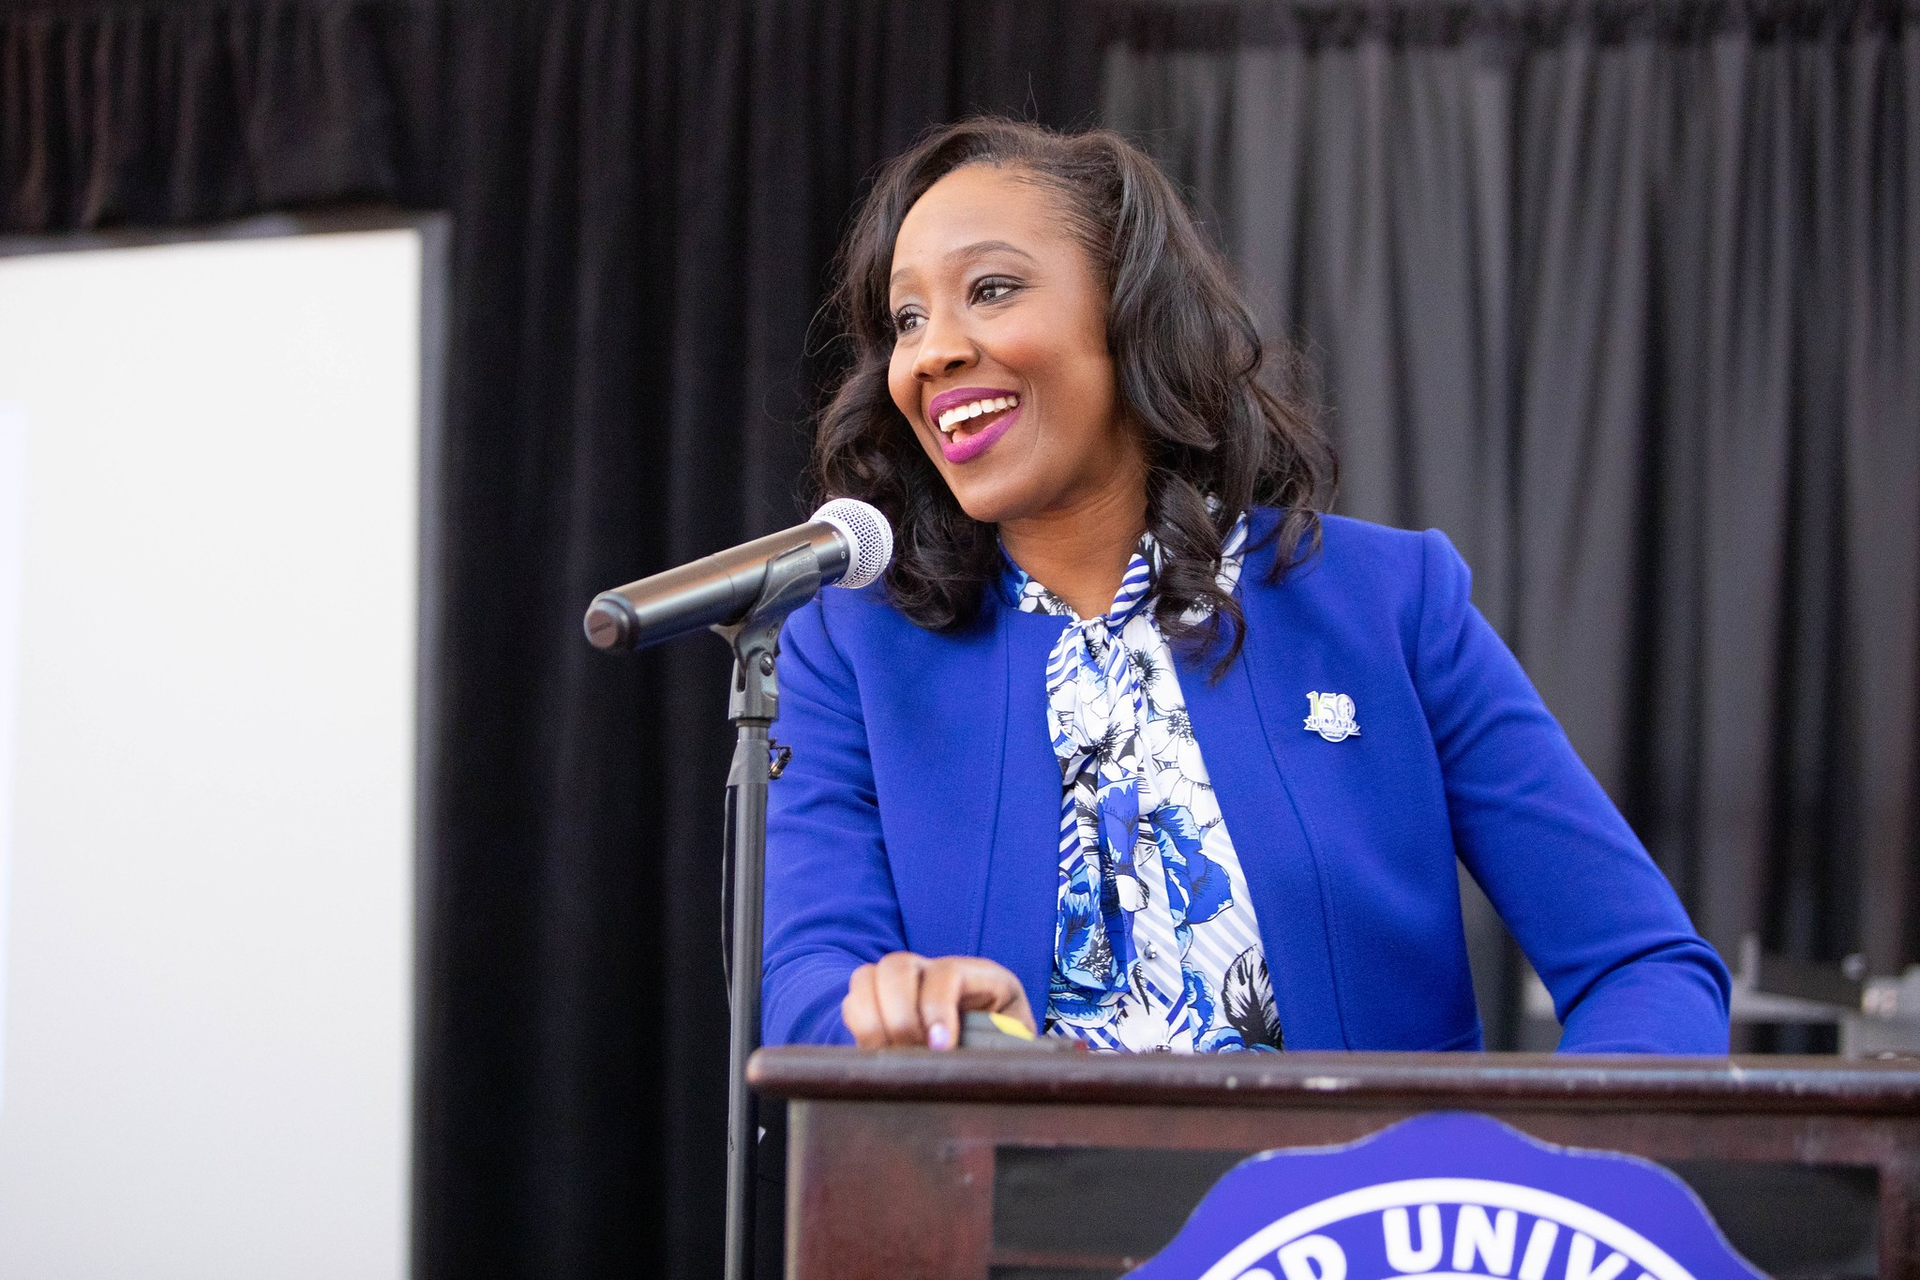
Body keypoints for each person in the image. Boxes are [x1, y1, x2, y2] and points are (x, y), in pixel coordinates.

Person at [760, 117, 1730, 1055]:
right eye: (908, 319)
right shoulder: (850, 647)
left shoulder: (1390, 602)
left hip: (1356, 1219)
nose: (933, 351)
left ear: (1128, 310)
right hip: (1014, 1217)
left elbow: (1645, 965)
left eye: (994, 289)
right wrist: (902, 1011)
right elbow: (807, 984)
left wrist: (1517, 1189)